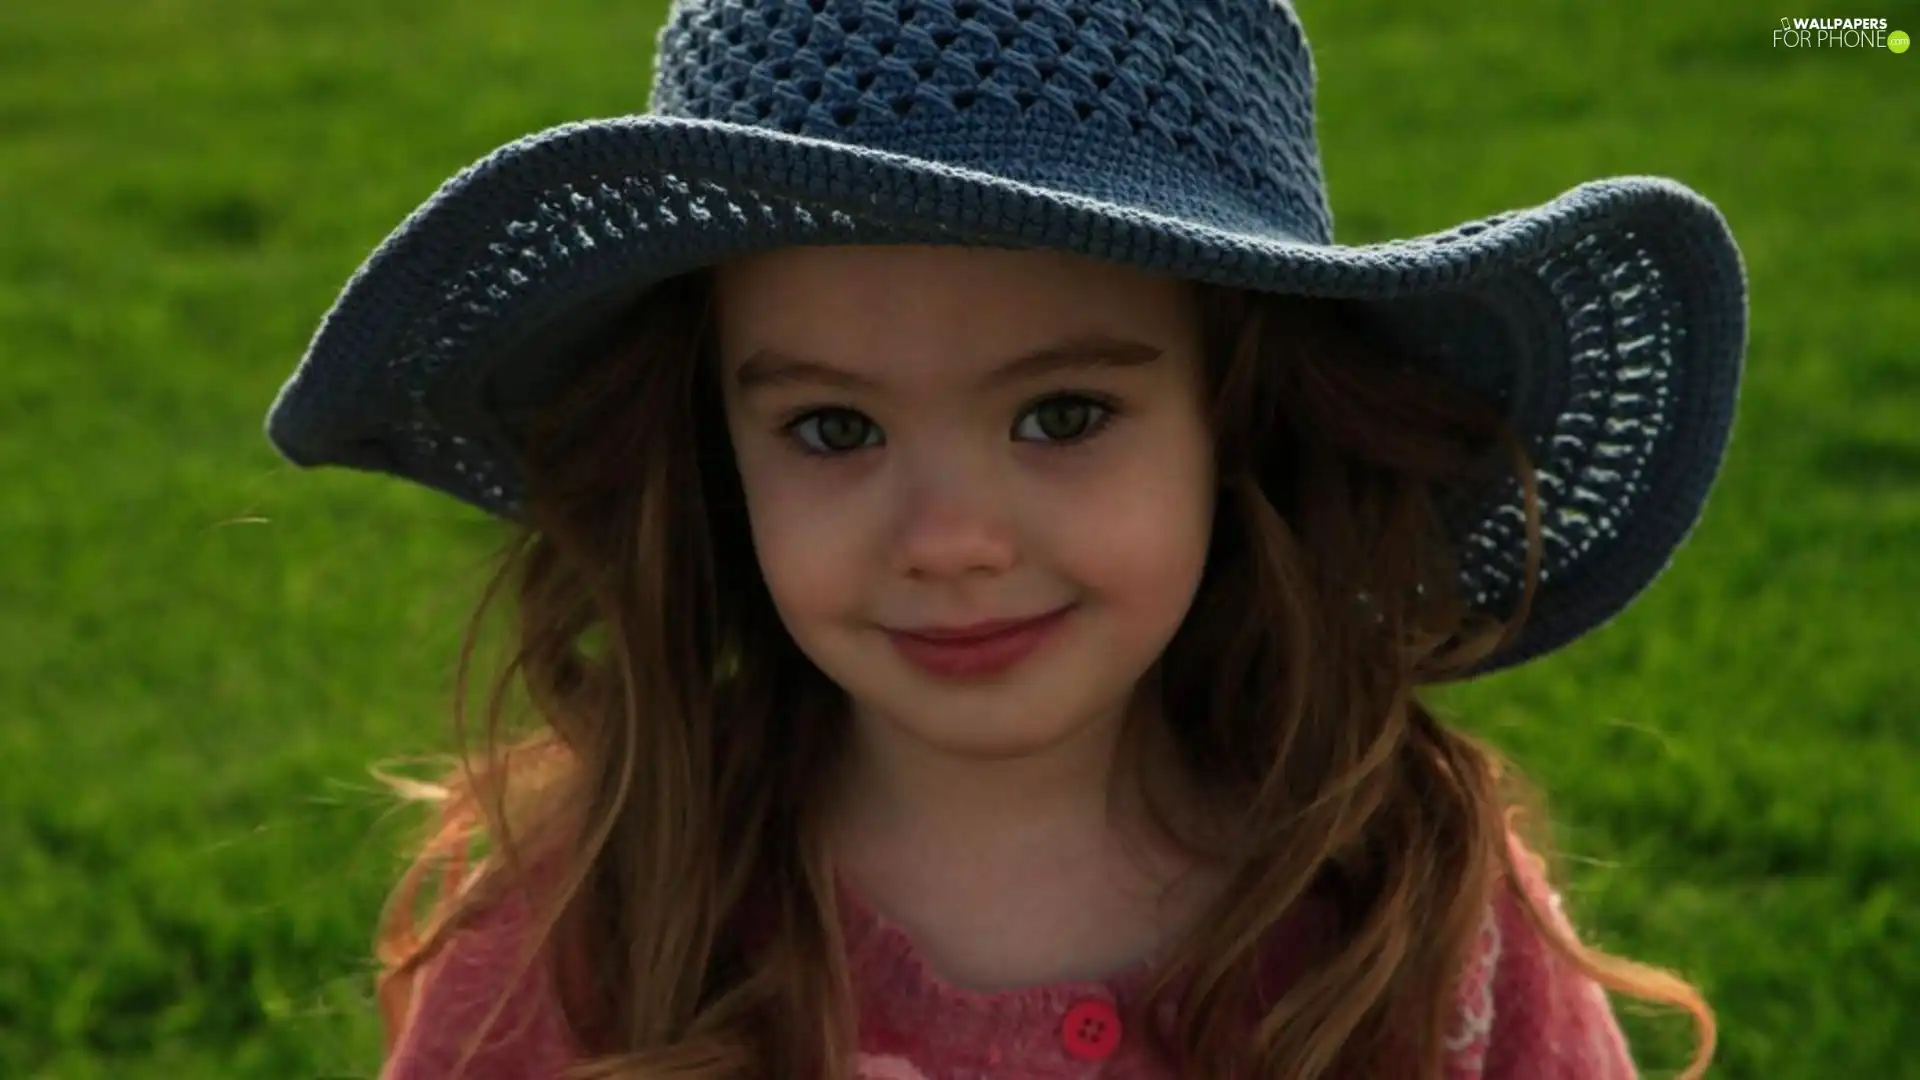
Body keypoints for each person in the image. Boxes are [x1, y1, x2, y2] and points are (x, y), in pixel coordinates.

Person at [263, 1, 1746, 1078]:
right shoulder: (583, 913)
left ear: (1244, 423)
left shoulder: (1416, 915)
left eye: (1063, 415)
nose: (955, 541)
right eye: (835, 431)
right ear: (706, 450)